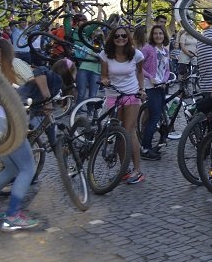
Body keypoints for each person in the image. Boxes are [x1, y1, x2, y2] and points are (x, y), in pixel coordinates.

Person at [0, 39, 55, 231]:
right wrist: (48, 100)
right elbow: (39, 76)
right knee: (27, 169)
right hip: (8, 124)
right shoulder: (14, 64)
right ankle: (13, 216)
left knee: (11, 169)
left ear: (6, 52)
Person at [98, 27, 146, 184]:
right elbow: (104, 74)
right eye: (117, 36)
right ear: (112, 38)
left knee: (129, 131)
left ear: (128, 37)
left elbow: (140, 73)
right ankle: (124, 169)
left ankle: (138, 170)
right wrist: (105, 80)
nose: (120, 38)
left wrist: (142, 89)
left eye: (124, 35)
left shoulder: (136, 54)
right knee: (118, 132)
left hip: (132, 94)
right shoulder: (105, 54)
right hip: (113, 95)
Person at [139, 25, 172, 160]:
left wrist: (163, 80)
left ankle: (154, 144)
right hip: (149, 87)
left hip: (160, 87)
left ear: (164, 35)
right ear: (152, 36)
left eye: (160, 33)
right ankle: (145, 148)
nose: (158, 36)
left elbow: (167, 69)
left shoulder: (165, 50)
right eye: (155, 33)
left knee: (158, 116)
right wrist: (150, 78)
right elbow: (138, 66)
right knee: (153, 117)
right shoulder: (147, 49)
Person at [71, 14, 102, 108]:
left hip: (96, 70)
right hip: (84, 68)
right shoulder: (87, 42)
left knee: (92, 95)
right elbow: (80, 54)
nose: (97, 38)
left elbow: (105, 58)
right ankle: (77, 110)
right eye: (95, 36)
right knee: (81, 93)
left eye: (99, 36)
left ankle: (90, 112)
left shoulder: (104, 46)